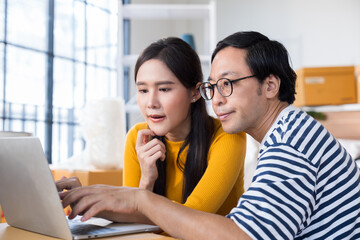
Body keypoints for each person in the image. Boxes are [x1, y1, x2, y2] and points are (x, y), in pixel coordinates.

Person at [58, 31, 360, 239]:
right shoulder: (287, 134)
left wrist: (140, 199)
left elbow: (242, 236)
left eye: (227, 84)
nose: (215, 99)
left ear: (270, 86)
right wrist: (87, 197)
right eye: (213, 87)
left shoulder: (291, 143)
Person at [58, 37, 247, 217]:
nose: (151, 103)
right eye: (143, 90)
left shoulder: (227, 136)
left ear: (195, 93)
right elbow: (132, 220)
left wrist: (120, 201)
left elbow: (193, 216)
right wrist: (146, 182)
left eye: (164, 89)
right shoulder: (137, 137)